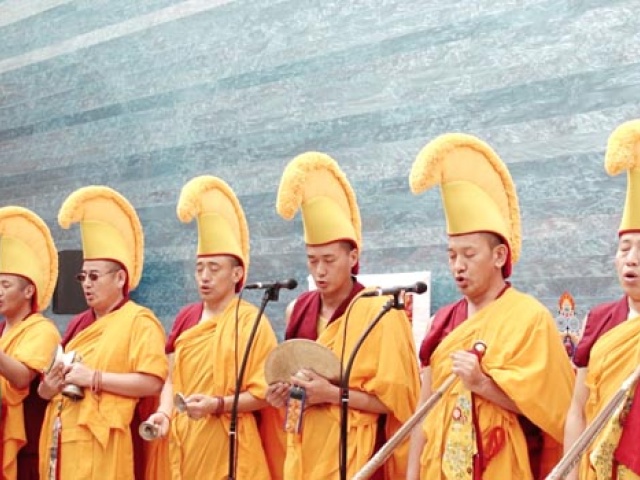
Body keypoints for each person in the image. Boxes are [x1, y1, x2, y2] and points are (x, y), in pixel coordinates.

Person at [406, 133, 575, 480]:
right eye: (452, 255)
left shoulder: (530, 319)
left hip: (501, 465)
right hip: (437, 467)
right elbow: (422, 414)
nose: (458, 266)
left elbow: (556, 415)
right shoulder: (442, 323)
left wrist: (483, 384)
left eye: (469, 255)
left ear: (499, 256)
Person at [266, 152, 420, 479]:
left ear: (353, 256)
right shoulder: (299, 310)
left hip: (359, 458)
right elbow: (296, 393)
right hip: (304, 455)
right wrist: (283, 398)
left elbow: (400, 405)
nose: (319, 271)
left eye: (329, 260)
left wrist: (332, 394)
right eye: (312, 260)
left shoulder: (381, 313)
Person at [144, 175, 278, 479]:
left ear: (237, 273)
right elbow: (170, 378)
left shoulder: (250, 322)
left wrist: (217, 404)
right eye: (199, 268)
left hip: (229, 444)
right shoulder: (186, 318)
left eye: (214, 269)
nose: (204, 277)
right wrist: (164, 413)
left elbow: (263, 394)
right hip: (181, 440)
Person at [37, 186, 168, 480]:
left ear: (120, 278)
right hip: (63, 441)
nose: (86, 284)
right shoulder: (77, 325)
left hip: (107, 446)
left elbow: (152, 382)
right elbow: (46, 388)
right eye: (83, 276)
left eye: (95, 276)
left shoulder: (139, 321)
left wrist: (93, 378)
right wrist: (48, 386)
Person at [564, 119, 640, 480]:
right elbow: (578, 407)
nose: (632, 259)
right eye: (625, 248)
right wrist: (570, 470)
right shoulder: (601, 319)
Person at [0, 206, 61, 479]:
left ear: (28, 290)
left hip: (26, 446)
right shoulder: (3, 331)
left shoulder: (42, 330)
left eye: (5, 285)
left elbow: (22, 377)